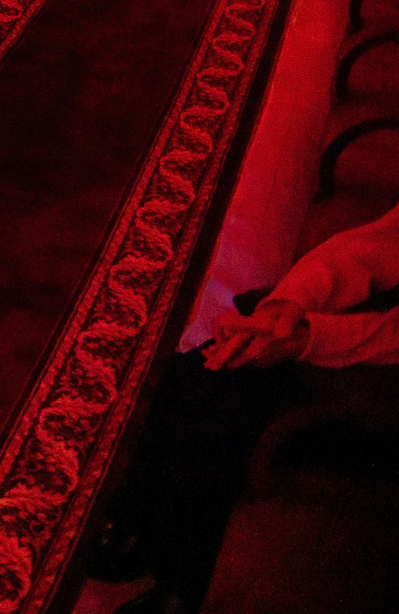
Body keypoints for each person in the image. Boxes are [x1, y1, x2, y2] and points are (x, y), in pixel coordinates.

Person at [86, 196, 399, 614]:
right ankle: (139, 521)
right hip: (363, 328)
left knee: (222, 422)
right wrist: (286, 306)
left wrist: (310, 338)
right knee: (189, 376)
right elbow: (379, 245)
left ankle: (182, 580)